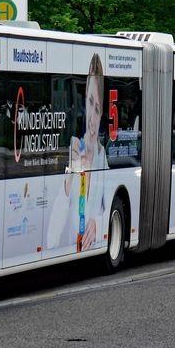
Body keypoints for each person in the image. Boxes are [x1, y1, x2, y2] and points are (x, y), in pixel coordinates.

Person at [79, 54, 108, 251]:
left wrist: (99, 223)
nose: (92, 117)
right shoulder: (72, 152)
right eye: (90, 102)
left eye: (97, 109)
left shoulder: (102, 157)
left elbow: (109, 206)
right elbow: (52, 237)